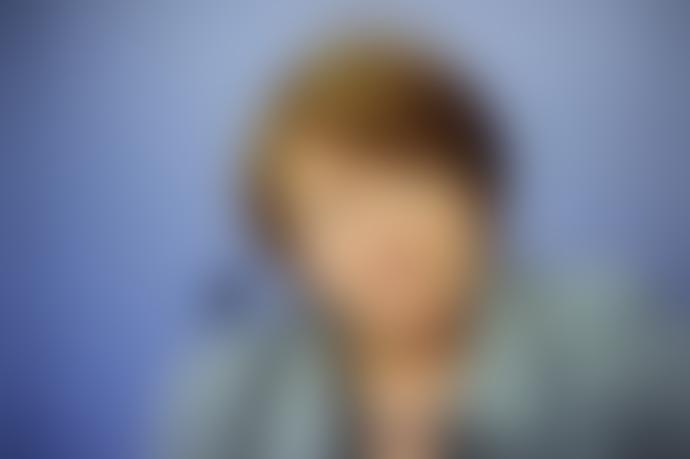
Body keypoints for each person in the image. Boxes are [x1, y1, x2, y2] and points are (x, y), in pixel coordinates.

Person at [165, 36, 689, 459]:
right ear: (292, 251)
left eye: (410, 184)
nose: (385, 235)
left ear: (481, 194)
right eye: (339, 204)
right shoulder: (230, 399)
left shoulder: (620, 350)